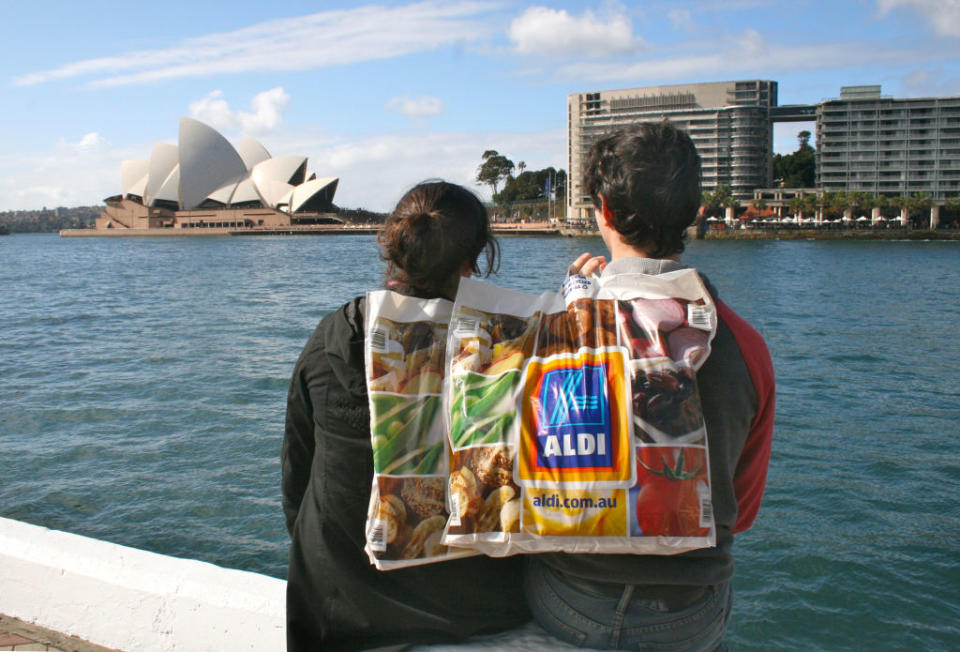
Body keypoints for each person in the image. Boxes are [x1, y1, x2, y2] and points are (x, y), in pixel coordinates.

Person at [524, 121, 776, 650]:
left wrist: (578, 305)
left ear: (604, 212)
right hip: (692, 612)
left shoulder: (555, 336)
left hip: (571, 598)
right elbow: (743, 511)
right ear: (695, 212)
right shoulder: (747, 345)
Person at [282, 181, 531, 651]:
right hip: (484, 609)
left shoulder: (337, 337)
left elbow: (297, 474)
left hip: (338, 613)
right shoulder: (507, 344)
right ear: (476, 255)